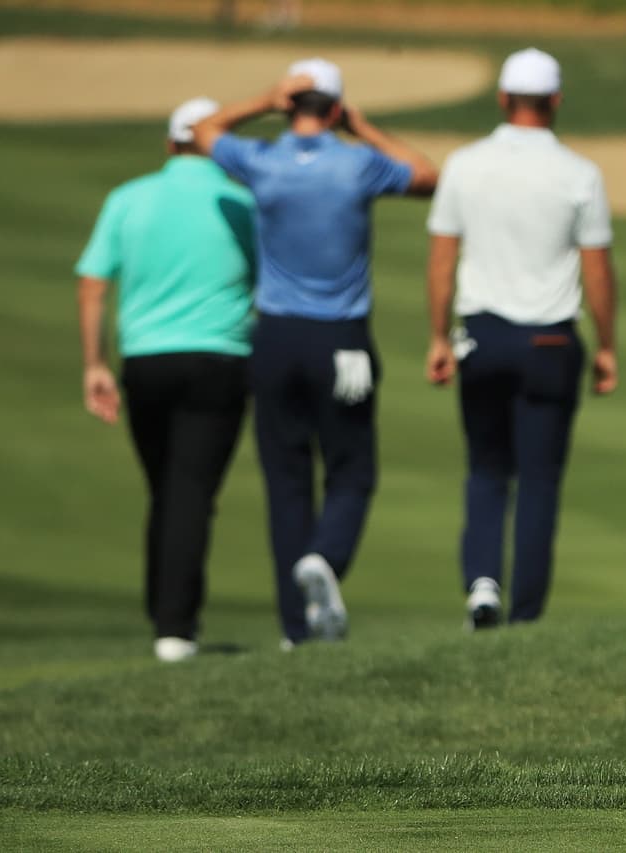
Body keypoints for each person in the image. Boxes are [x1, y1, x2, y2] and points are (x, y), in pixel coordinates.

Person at [191, 58, 438, 647]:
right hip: (341, 340)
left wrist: (262, 99)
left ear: (291, 106)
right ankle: (325, 559)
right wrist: (364, 128)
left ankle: (296, 629)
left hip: (275, 339)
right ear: (334, 109)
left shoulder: (262, 161)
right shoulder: (357, 163)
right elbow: (427, 175)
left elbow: (204, 130)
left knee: (286, 481)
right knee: (352, 470)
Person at [425, 47, 619, 629]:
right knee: (537, 482)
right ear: (556, 101)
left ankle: (482, 587)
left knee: (486, 470)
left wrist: (438, 337)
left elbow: (441, 261)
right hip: (551, 344)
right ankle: (527, 616)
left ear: (503, 98)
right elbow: (597, 270)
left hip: (480, 337)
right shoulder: (580, 173)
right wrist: (607, 346)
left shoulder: (463, 163)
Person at [75, 97, 257, 662]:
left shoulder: (128, 198)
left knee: (168, 489)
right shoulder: (242, 201)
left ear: (168, 142)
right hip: (220, 360)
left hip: (146, 365)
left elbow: (92, 283)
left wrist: (95, 364)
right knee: (190, 493)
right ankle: (175, 629)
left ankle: (164, 616)